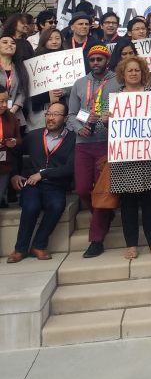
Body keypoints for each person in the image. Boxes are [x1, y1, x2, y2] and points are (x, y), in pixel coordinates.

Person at [109, 55, 151, 259]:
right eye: (129, 70)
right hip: (124, 159)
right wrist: (105, 120)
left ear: (143, 73)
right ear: (122, 74)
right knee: (128, 205)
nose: (134, 73)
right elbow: (101, 128)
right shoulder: (115, 96)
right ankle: (131, 244)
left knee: (150, 202)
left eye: (137, 70)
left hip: (148, 157)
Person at [7, 101, 75, 261]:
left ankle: (39, 245)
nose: (51, 118)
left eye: (56, 114)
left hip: (56, 185)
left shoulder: (73, 139)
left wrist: (43, 174)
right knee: (31, 206)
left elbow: (70, 168)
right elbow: (14, 153)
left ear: (65, 118)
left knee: (57, 205)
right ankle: (20, 249)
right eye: (48, 114)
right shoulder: (33, 136)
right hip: (32, 184)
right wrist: (14, 174)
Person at [66, 43, 116, 257]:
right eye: (92, 60)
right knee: (82, 189)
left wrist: (108, 120)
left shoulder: (118, 81)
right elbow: (71, 114)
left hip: (107, 142)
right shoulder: (79, 83)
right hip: (83, 143)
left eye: (99, 59)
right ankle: (105, 213)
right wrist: (79, 127)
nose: (95, 63)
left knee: (101, 191)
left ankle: (96, 239)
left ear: (107, 60)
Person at [27, 26, 67, 130]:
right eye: (50, 39)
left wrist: (64, 91)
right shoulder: (35, 60)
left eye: (57, 38)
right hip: (41, 108)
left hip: (63, 106)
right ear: (44, 41)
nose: (54, 41)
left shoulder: (68, 59)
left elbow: (74, 83)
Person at [0, 33, 29, 130]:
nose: (9, 44)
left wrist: (13, 110)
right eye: (5, 42)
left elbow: (22, 91)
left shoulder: (19, 67)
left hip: (15, 116)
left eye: (13, 43)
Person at [0, 90, 22, 205]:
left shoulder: (11, 117)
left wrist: (14, 141)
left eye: (6, 101)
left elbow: (19, 138)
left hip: (5, 163)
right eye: (0, 101)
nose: (4, 105)